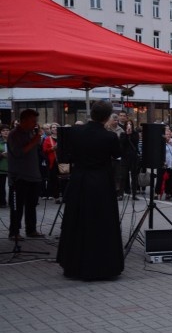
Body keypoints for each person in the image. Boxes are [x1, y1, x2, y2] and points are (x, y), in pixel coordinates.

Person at [56, 101, 123, 280]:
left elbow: (67, 152)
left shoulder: (76, 132)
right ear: (108, 117)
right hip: (101, 183)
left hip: (79, 180)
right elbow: (117, 154)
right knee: (101, 222)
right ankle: (102, 266)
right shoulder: (109, 137)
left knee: (77, 220)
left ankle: (73, 263)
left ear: (91, 113)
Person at [7, 109, 44, 240]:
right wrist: (35, 140)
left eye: (36, 121)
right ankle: (14, 232)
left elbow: (37, 149)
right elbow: (18, 152)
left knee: (31, 205)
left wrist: (36, 139)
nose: (35, 123)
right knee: (17, 206)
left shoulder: (31, 133)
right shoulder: (14, 134)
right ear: (23, 120)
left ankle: (31, 229)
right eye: (33, 121)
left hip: (33, 175)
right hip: (19, 177)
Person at [0, 125, 9, 208]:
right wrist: (2, 155)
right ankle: (2, 202)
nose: (5, 132)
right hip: (1, 167)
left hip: (12, 167)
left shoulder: (13, 141)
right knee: (1, 186)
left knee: (14, 186)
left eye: (7, 130)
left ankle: (13, 202)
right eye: (3, 130)